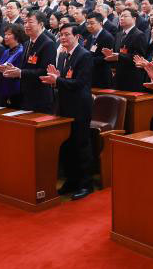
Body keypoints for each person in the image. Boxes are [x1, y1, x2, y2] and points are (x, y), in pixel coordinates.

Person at [41, 24, 94, 200]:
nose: (63, 38)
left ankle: (86, 185)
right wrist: (56, 79)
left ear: (77, 36)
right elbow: (65, 80)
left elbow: (80, 83)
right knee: (67, 146)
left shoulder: (84, 55)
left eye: (66, 35)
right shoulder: (64, 55)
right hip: (64, 106)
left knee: (81, 146)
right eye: (61, 35)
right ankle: (71, 181)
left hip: (79, 107)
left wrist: (58, 80)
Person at [2, 11, 57, 113]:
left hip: (40, 97)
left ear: (40, 24)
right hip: (25, 94)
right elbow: (25, 67)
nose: (26, 25)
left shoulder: (48, 44)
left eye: (30, 22)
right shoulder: (27, 43)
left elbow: (45, 72)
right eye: (25, 22)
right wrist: (13, 70)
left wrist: (20, 73)